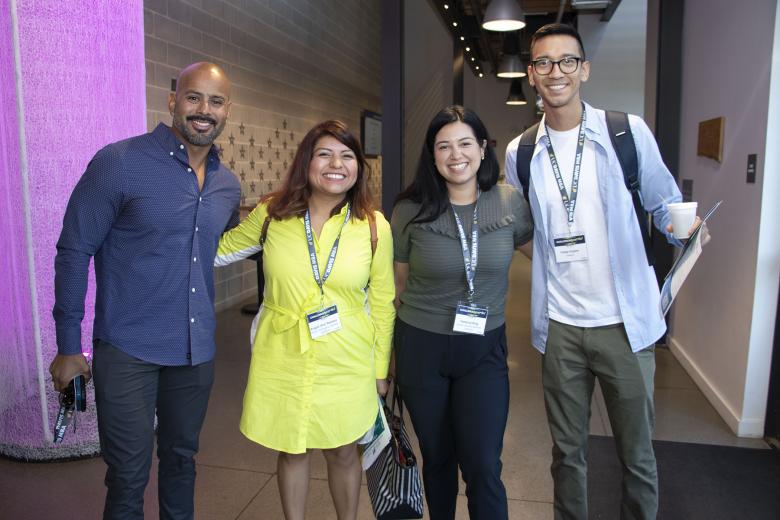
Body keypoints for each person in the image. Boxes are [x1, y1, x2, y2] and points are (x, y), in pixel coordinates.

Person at [504, 23, 704, 520]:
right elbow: (522, 231)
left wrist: (688, 229)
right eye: (544, 63)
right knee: (567, 456)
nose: (556, 72)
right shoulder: (520, 152)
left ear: (584, 69)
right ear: (532, 74)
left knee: (636, 456)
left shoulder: (626, 132)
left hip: (626, 325)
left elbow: (665, 206)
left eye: (567, 61)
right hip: (562, 329)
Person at [50, 62, 239, 519]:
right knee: (128, 475)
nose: (203, 110)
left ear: (227, 111)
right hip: (129, 350)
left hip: (195, 355)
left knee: (182, 462)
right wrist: (68, 347)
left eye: (215, 101)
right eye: (193, 97)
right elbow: (73, 250)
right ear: (173, 100)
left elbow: (216, 246)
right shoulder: (119, 163)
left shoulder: (227, 185)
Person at [214, 120, 395, 520]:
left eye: (348, 156)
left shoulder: (373, 226)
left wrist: (381, 369)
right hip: (283, 350)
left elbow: (383, 302)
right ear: (306, 162)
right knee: (292, 445)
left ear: (358, 168)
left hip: (347, 353)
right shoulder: (271, 214)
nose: (337, 164)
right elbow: (218, 251)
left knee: (344, 448)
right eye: (325, 153)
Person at [391, 106, 533, 519]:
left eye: (465, 143)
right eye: (444, 146)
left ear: (484, 148)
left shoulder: (509, 203)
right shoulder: (409, 210)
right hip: (421, 346)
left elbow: (549, 259)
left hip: (484, 348)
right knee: (437, 460)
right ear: (432, 155)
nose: (456, 154)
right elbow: (396, 290)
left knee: (484, 464)